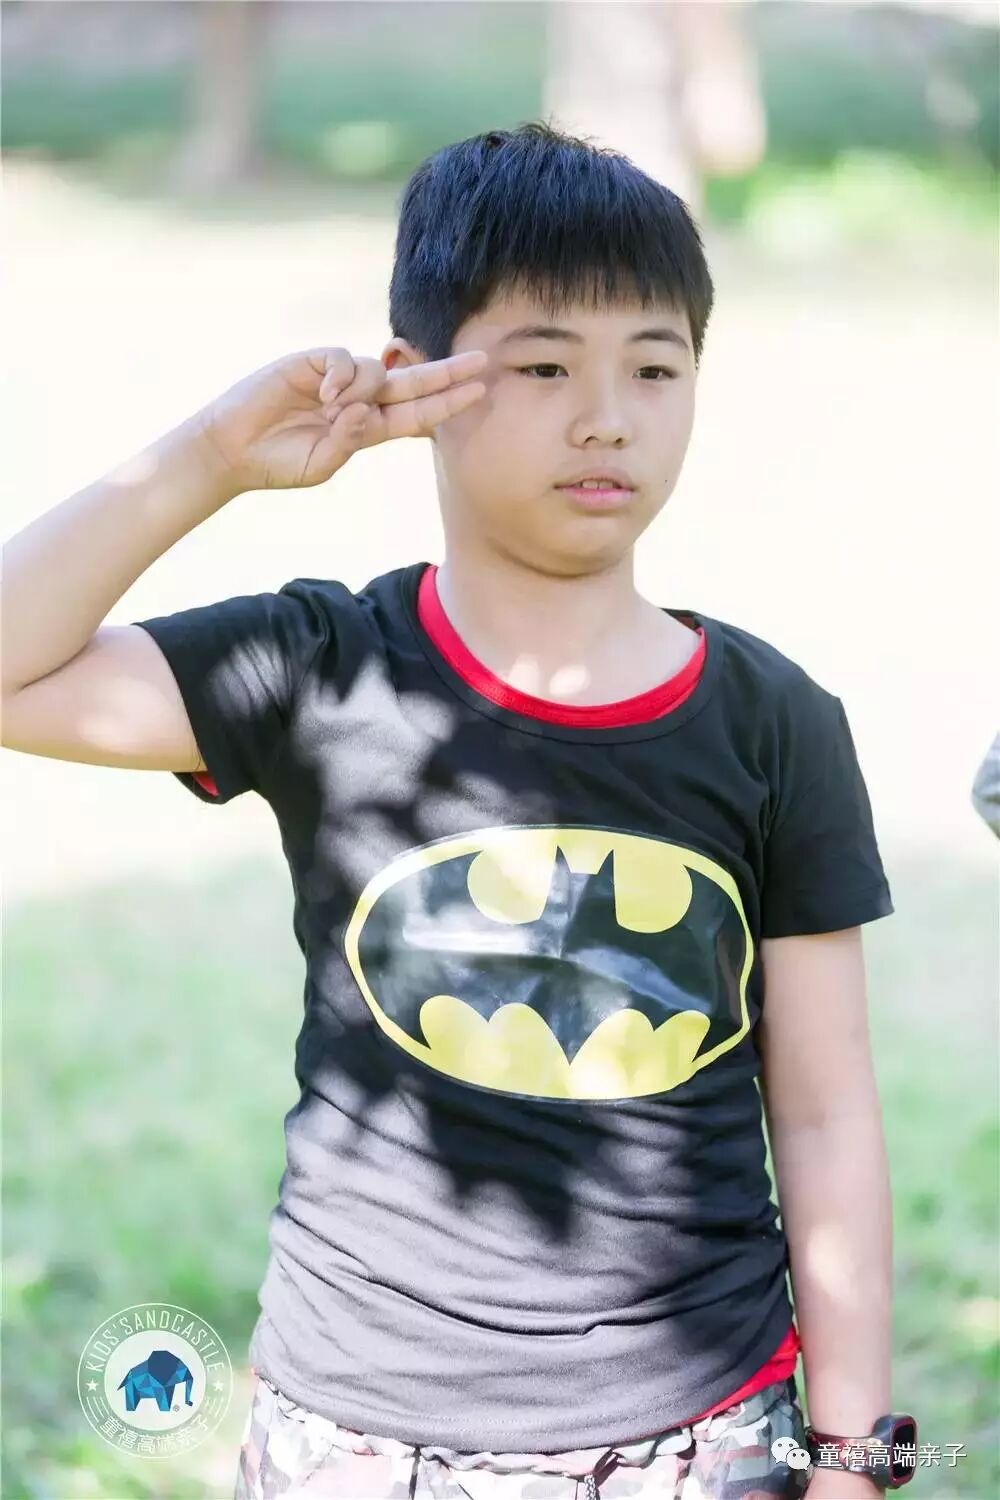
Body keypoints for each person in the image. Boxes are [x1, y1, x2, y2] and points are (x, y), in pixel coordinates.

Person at [2, 122, 902, 1500]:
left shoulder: (775, 721)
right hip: (358, 1433)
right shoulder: (322, 669)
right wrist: (215, 458)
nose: (606, 417)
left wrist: (857, 1460)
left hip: (703, 1432)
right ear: (419, 380)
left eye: (654, 366)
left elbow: (828, 1115)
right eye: (543, 366)